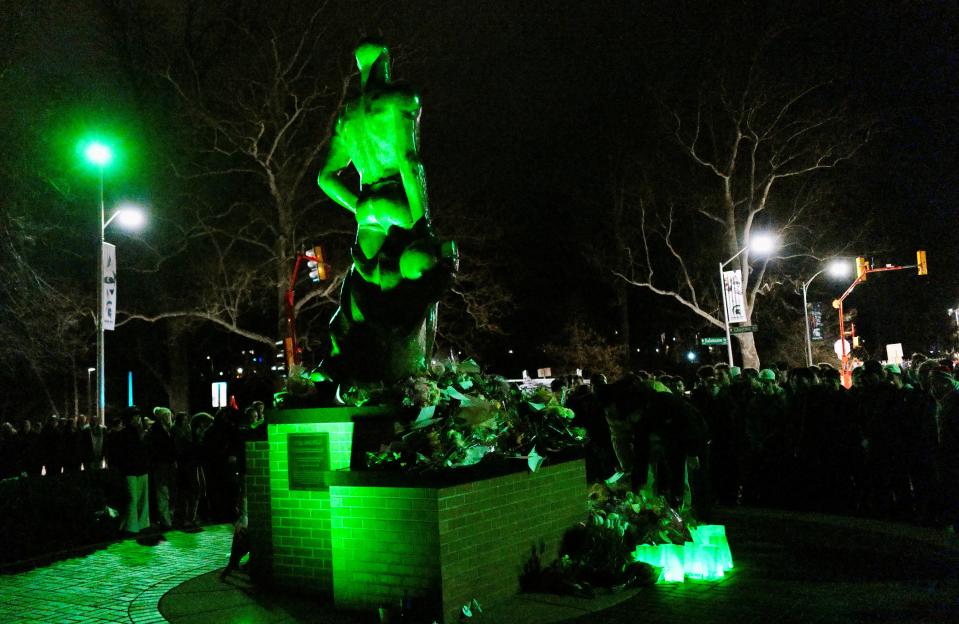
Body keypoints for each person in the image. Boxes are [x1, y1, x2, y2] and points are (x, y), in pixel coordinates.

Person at [113, 408, 151, 535]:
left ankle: (141, 524)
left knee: (141, 498)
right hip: (131, 470)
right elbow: (123, 453)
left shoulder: (140, 432)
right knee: (133, 498)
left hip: (140, 468)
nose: (137, 419)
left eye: (138, 416)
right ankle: (132, 525)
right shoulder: (124, 434)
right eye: (135, 417)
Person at [149, 407, 177, 530]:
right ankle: (165, 520)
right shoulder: (157, 431)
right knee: (162, 492)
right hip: (161, 466)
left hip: (168, 465)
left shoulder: (169, 430)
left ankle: (167, 518)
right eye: (166, 416)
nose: (169, 418)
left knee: (167, 492)